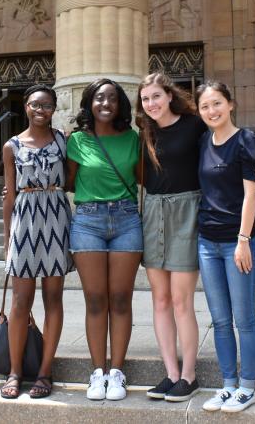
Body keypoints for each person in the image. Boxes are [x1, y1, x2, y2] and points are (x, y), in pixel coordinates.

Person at [66, 78, 143, 401]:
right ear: (90, 103)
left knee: (121, 299)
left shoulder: (132, 139)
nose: (105, 103)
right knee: (96, 299)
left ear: (120, 104)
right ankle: (98, 372)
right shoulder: (77, 141)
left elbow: (143, 180)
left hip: (127, 219)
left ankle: (117, 372)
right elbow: (67, 183)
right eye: (99, 98)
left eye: (112, 98)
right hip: (88, 221)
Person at [135, 73, 208, 402]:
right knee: (160, 300)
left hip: (186, 212)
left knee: (182, 301)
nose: (151, 104)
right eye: (145, 99)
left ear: (169, 95)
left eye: (155, 96)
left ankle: (189, 375)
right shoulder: (144, 132)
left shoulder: (194, 125)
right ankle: (171, 373)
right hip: (153, 213)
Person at [0, 84, 73, 399]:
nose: (39, 110)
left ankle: (44, 372)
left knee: (53, 298)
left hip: (56, 218)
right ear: (26, 108)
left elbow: (71, 179)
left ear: (54, 108)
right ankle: (15, 371)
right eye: (33, 104)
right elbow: (9, 195)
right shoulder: (11, 146)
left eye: (45, 105)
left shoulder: (62, 141)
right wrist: (7, 240)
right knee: (20, 301)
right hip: (24, 222)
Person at [195, 81, 255, 413]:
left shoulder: (246, 141)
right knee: (219, 320)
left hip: (237, 242)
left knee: (244, 319)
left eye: (217, 103)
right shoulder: (204, 141)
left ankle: (247, 387)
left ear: (230, 104)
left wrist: (243, 240)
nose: (212, 111)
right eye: (205, 106)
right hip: (207, 243)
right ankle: (228, 385)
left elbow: (251, 194)